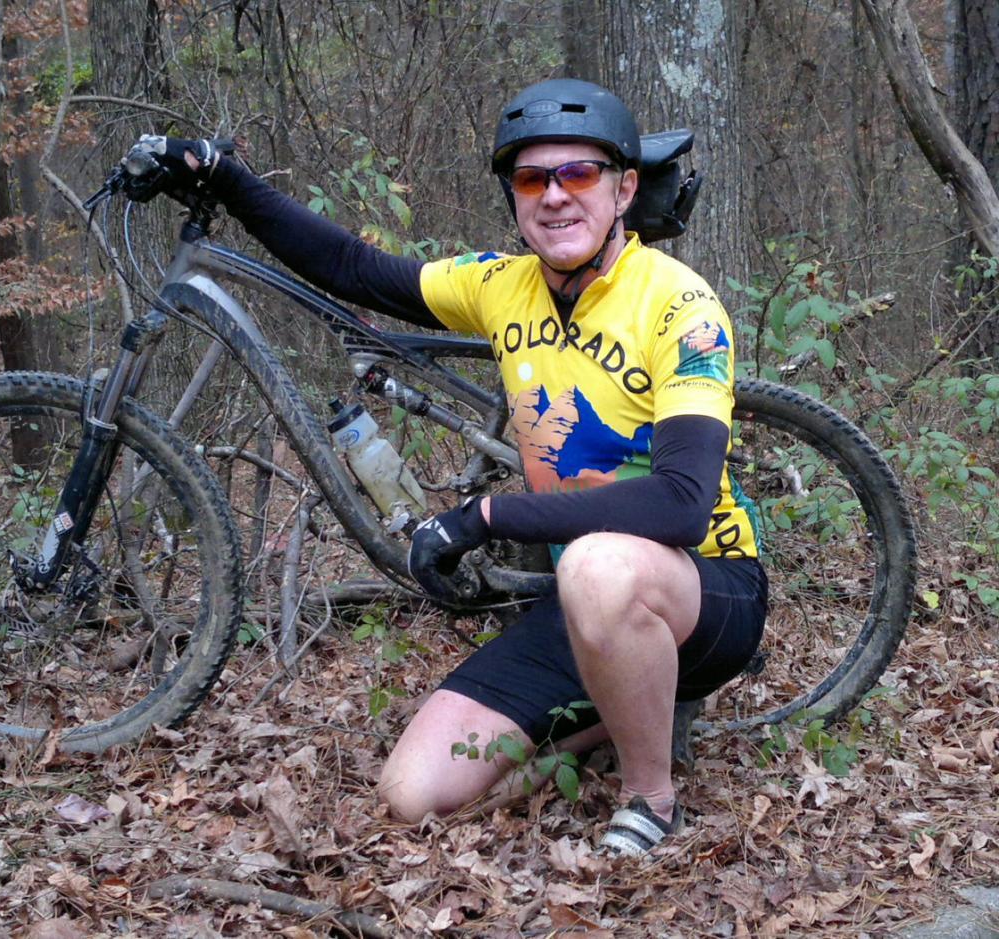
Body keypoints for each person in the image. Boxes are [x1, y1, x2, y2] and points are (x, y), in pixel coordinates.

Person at [164, 77, 767, 857]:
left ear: (623, 190)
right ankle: (618, 697)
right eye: (531, 178)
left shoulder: (682, 306)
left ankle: (650, 795)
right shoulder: (500, 288)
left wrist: (484, 516)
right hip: (588, 596)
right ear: (514, 196)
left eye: (578, 174)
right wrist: (226, 176)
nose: (554, 196)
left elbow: (682, 505)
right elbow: (352, 267)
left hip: (707, 588)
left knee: (595, 567)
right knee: (412, 793)